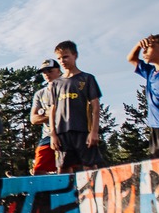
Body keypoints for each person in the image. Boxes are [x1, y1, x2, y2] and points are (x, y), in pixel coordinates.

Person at [49, 40, 104, 173]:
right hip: (62, 132)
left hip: (83, 130)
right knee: (62, 167)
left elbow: (96, 107)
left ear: (75, 55)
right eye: (59, 58)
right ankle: (65, 193)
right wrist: (53, 135)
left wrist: (94, 131)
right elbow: (52, 110)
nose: (62, 60)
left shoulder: (87, 78)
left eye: (65, 56)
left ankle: (93, 193)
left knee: (89, 166)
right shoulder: (55, 84)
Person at [30, 59, 63, 174]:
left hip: (67, 133)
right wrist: (52, 115)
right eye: (44, 72)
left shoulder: (67, 87)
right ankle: (43, 193)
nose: (47, 74)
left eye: (50, 70)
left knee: (66, 167)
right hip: (48, 135)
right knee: (38, 169)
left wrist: (48, 114)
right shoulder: (40, 94)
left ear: (58, 71)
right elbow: (33, 119)